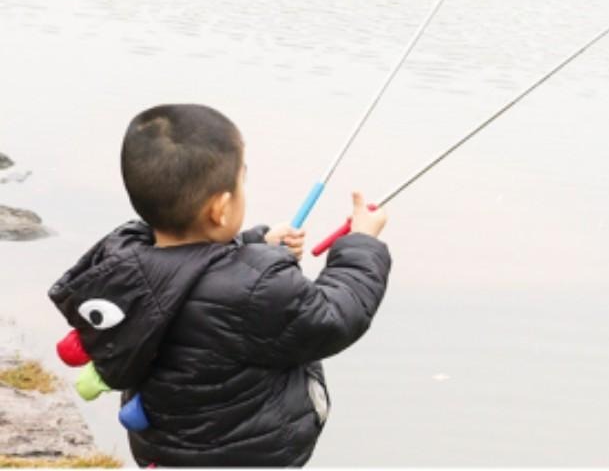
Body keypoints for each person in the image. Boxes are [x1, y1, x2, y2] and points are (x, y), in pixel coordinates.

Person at [48, 103, 390, 467]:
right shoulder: (258, 287)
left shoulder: (126, 262)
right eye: (242, 179)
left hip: (166, 452)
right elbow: (336, 317)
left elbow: (193, 267)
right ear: (220, 209)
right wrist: (361, 244)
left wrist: (256, 246)